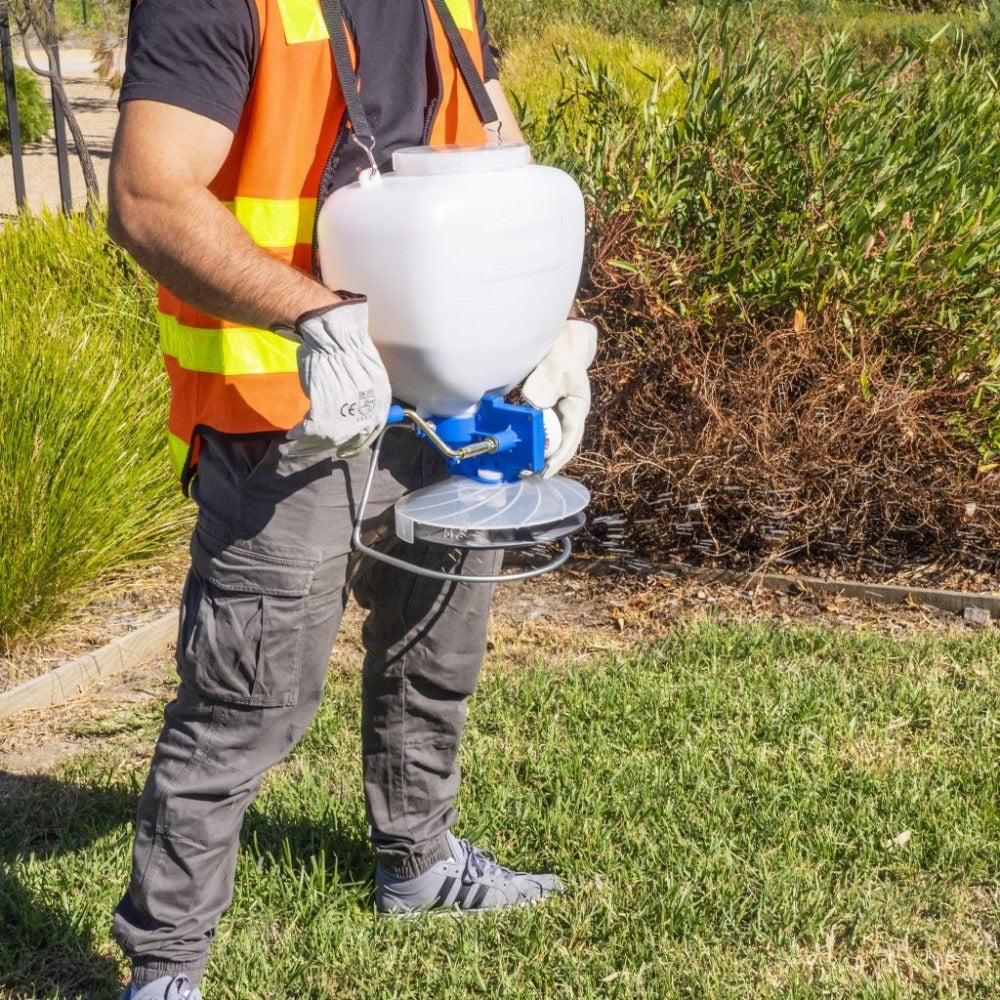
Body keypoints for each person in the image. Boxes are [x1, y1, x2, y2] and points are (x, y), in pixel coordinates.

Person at [106, 1, 598, 997]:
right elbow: (150, 196)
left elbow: (496, 156)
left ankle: (417, 863)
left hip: (445, 394)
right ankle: (164, 970)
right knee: (249, 700)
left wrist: (548, 326)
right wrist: (318, 321)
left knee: (436, 640)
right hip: (286, 402)